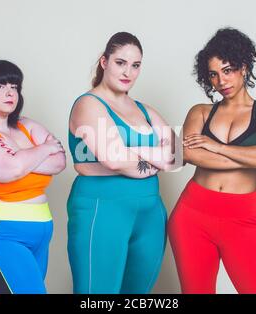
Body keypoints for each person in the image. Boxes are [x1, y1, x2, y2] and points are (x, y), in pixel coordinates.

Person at [168, 28, 256, 294]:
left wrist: (215, 147)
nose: (221, 80)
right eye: (213, 74)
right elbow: (187, 153)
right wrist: (255, 154)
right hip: (192, 215)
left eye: (228, 70)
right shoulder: (199, 112)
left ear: (243, 67)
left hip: (243, 218)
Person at [67, 32, 176, 294]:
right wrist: (152, 154)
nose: (128, 72)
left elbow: (176, 157)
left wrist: (130, 149)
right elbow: (114, 159)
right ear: (104, 62)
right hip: (102, 208)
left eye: (135, 65)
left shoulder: (145, 109)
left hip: (150, 213)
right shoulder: (87, 104)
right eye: (120, 62)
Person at [0, 59, 66, 294]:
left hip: (40, 231)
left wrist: (22, 157)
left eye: (14, 86)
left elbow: (59, 161)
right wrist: (43, 149)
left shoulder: (26, 125)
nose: (9, 92)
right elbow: (10, 170)